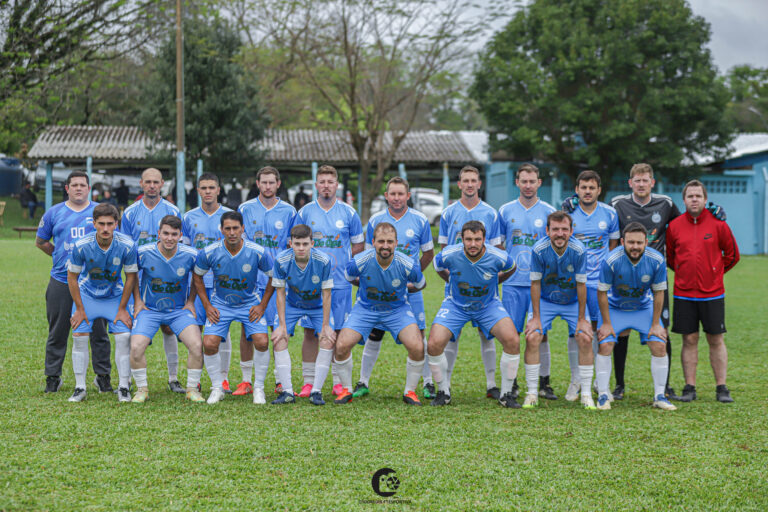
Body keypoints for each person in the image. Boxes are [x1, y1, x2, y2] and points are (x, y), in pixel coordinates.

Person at [354, 177, 435, 399]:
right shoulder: (376, 220)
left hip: (408, 290)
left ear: (408, 196)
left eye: (401, 194)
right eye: (393, 194)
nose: (397, 198)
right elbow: (368, 256)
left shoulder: (419, 220)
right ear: (386, 196)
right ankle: (363, 381)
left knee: (418, 333)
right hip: (379, 290)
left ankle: (427, 383)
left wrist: (413, 276)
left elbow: (428, 253)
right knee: (375, 331)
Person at [428, 220, 521, 408]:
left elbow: (512, 267)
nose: (472, 244)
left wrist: (497, 281)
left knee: (513, 341)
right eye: (468, 239)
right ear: (461, 239)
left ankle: (506, 394)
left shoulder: (498, 256)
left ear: (484, 239)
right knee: (434, 344)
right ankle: (443, 392)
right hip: (456, 305)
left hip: (488, 305)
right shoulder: (449, 254)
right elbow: (437, 266)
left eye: (477, 239)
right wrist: (450, 281)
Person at [333, 222, 427, 405]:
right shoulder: (360, 260)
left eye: (390, 242)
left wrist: (404, 290)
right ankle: (346, 389)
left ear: (396, 243)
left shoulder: (407, 263)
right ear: (373, 242)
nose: (385, 245)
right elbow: (350, 277)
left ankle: (410, 392)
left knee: (417, 346)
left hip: (397, 309)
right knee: (342, 345)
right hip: (366, 308)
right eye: (381, 241)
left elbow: (421, 283)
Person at [36, 171, 113, 394]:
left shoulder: (99, 211)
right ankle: (53, 377)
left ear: (89, 188)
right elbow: (41, 241)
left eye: (83, 185)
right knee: (57, 330)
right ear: (67, 188)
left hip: (94, 282)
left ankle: (102, 377)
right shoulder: (54, 212)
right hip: (61, 279)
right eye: (74, 185)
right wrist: (59, 256)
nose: (79, 188)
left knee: (99, 331)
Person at [666, 180, 740, 403]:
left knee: (715, 338)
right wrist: (682, 272)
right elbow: (671, 257)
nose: (694, 199)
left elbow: (732, 255)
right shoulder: (675, 226)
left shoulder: (719, 224)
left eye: (698, 196)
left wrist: (715, 273)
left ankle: (721, 387)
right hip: (684, 293)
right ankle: (690, 387)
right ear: (684, 200)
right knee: (689, 338)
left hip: (712, 293)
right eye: (690, 196)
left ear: (705, 199)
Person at [295, 165, 365, 397]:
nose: (326, 186)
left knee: (339, 331)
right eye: (322, 181)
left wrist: (347, 270)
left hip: (340, 285)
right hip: (310, 286)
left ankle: (337, 381)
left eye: (330, 182)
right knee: (310, 332)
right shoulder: (305, 212)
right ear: (316, 185)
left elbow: (357, 246)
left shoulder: (348, 213)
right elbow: (296, 243)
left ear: (337, 185)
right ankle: (308, 381)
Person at [192, 211, 274, 404]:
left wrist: (262, 305)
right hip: (221, 304)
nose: (231, 232)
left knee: (262, 341)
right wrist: (207, 305)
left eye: (235, 228)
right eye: (227, 228)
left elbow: (274, 276)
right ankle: (217, 388)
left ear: (243, 229)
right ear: (221, 230)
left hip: (249, 304)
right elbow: (197, 276)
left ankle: (259, 389)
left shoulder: (257, 251)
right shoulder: (210, 252)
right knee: (210, 343)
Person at [437, 165, 504, 400]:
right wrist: (452, 277)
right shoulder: (448, 213)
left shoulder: (491, 213)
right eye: (465, 180)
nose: (469, 184)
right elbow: (444, 252)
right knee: (451, 337)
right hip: (457, 288)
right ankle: (446, 385)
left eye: (473, 180)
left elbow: (497, 250)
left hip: (486, 288)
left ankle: (492, 385)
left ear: (479, 184)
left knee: (488, 335)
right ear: (459, 184)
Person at [594, 223, 676, 411]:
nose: (635, 246)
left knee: (659, 343)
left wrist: (656, 324)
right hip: (616, 308)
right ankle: (604, 394)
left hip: (642, 307)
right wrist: (606, 323)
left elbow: (659, 292)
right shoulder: (611, 260)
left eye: (639, 242)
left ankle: (660, 396)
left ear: (646, 242)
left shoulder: (656, 260)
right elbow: (602, 293)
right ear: (622, 242)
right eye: (631, 242)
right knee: (605, 343)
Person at [119, 168, 184, 393]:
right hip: (136, 276)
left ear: (162, 184)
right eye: (148, 182)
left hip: (165, 276)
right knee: (130, 327)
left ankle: (173, 378)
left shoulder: (173, 210)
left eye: (156, 182)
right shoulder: (129, 212)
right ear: (141, 184)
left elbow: (180, 243)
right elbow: (126, 246)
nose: (152, 186)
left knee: (168, 328)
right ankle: (126, 379)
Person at [130, 215, 206, 403]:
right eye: (166, 233)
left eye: (174, 234)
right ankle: (142, 389)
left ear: (181, 235)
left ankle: (192, 389)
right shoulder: (143, 252)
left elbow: (198, 278)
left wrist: (190, 302)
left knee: (197, 346)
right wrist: (138, 301)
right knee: (136, 347)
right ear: (159, 233)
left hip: (179, 310)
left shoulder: (191, 254)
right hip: (150, 310)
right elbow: (131, 274)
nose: (169, 238)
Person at [66, 203, 137, 402]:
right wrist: (80, 309)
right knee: (79, 336)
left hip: (115, 296)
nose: (105, 229)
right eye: (101, 224)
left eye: (110, 224)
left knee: (123, 337)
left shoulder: (127, 244)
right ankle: (80, 387)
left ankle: (124, 386)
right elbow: (72, 277)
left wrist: (123, 308)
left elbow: (131, 277)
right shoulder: (81, 245)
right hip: (87, 294)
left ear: (116, 224)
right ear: (94, 223)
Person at [524, 211, 595, 409]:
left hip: (572, 301)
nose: (560, 233)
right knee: (532, 336)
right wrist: (536, 317)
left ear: (571, 231)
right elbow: (535, 283)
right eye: (555, 229)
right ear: (547, 231)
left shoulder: (579, 250)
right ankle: (531, 394)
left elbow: (582, 285)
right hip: (546, 300)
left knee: (585, 337)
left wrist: (582, 319)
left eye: (564, 229)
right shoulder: (539, 249)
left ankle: (587, 394)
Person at [498, 163, 556, 400]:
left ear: (539, 183)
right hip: (512, 283)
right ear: (517, 183)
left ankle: (544, 382)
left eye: (532, 181)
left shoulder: (549, 211)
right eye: (524, 181)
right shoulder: (504, 211)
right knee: (511, 335)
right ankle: (511, 383)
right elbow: (499, 245)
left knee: (541, 334)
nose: (528, 185)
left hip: (540, 285)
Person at [560, 170, 619, 401]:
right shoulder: (569, 212)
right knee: (576, 331)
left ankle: (598, 381)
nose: (587, 191)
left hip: (600, 284)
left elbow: (613, 247)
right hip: (574, 282)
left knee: (599, 329)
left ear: (599, 190)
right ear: (576, 189)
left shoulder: (610, 214)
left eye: (591, 187)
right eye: (583, 187)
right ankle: (576, 380)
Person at [238, 167, 297, 396]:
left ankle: (279, 380)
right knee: (247, 329)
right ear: (257, 183)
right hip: (252, 280)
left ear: (278, 184)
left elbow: (294, 245)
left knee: (278, 328)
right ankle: (245, 380)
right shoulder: (245, 208)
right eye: (264, 182)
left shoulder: (290, 211)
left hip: (279, 281)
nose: (268, 187)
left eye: (272, 182)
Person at [270, 224, 336, 405]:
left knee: (327, 339)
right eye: (297, 243)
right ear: (290, 243)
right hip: (293, 305)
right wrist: (282, 325)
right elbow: (280, 293)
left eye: (305, 244)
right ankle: (287, 392)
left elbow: (327, 294)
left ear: (312, 243)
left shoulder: (323, 261)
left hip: (317, 305)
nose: (301, 248)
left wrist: (325, 326)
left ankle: (316, 391)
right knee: (279, 338)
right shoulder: (281, 260)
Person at [182, 173, 233, 392]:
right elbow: (184, 251)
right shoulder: (189, 217)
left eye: (212, 187)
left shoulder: (229, 216)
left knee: (223, 332)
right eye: (204, 188)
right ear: (198, 191)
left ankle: (223, 378)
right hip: (198, 282)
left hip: (224, 282)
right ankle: (199, 375)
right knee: (198, 329)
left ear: (219, 190)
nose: (208, 191)